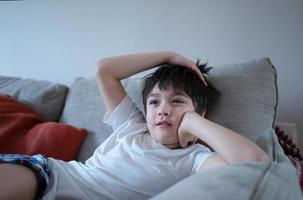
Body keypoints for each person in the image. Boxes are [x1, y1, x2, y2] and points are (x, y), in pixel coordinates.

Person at [0, 51, 268, 200]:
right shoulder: (132, 126)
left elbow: (255, 163)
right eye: (154, 102)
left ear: (200, 112)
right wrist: (168, 55)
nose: (163, 109)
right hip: (50, 176)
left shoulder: (195, 159)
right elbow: (104, 70)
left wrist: (193, 121)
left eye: (176, 101)